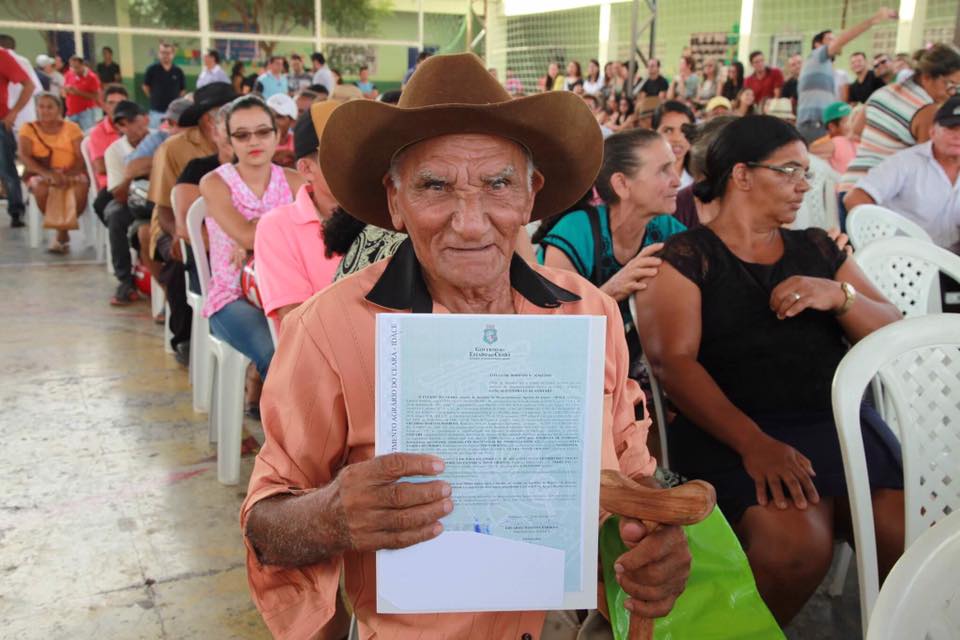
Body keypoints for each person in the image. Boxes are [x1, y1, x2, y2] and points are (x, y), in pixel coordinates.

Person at [241, 52, 690, 639]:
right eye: (435, 186)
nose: (472, 222)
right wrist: (330, 518)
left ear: (531, 196)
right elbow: (265, 524)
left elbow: (633, 482)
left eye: (498, 184)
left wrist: (655, 541)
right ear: (396, 201)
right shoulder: (329, 330)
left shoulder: (590, 313)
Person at [634, 114, 903, 626]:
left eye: (808, 174)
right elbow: (675, 363)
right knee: (796, 548)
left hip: (836, 426)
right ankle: (740, 633)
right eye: (790, 171)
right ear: (741, 175)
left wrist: (839, 296)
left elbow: (892, 328)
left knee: (905, 536)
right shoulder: (688, 256)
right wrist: (753, 444)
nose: (804, 186)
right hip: (733, 428)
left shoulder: (818, 249)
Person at [198, 95, 302, 398]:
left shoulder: (294, 181)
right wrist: (276, 228)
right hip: (232, 297)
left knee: (326, 345)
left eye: (262, 132)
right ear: (229, 142)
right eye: (242, 135)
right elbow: (244, 236)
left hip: (286, 292)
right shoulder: (215, 183)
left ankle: (311, 434)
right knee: (277, 353)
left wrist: (257, 233)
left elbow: (314, 233)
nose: (253, 141)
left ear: (277, 134)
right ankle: (286, 440)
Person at [147, 82, 237, 359]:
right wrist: (178, 233)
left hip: (229, 233)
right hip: (171, 223)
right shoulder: (174, 148)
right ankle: (183, 336)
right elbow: (162, 205)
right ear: (207, 119)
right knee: (182, 258)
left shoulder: (250, 149)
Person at [255, 102, 341, 330]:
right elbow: (296, 320)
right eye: (339, 153)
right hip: (319, 358)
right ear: (306, 169)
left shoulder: (385, 216)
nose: (353, 163)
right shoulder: (278, 227)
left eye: (360, 150)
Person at [840, 43, 960, 194]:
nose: (951, 92)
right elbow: (930, 167)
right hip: (877, 195)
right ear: (927, 77)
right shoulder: (926, 111)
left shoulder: (883, 91)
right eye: (949, 84)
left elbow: (856, 130)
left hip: (850, 185)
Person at [844, 96, 960, 249]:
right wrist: (884, 242)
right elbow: (855, 198)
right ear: (932, 131)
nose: (957, 136)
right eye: (950, 129)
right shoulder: (906, 162)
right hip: (905, 259)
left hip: (951, 261)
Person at [796, 8, 898, 143]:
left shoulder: (824, 68)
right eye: (830, 39)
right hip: (814, 125)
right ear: (818, 45)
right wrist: (873, 20)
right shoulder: (817, 56)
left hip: (817, 125)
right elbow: (845, 38)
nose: (836, 41)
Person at [18, 92, 88, 253]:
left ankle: (61, 232)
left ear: (59, 109)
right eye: (41, 107)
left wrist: (67, 175)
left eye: (50, 107)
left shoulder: (72, 128)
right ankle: (62, 233)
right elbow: (25, 157)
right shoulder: (28, 128)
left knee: (80, 187)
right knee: (41, 189)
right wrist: (48, 174)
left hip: (71, 170)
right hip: (40, 172)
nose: (45, 111)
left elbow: (80, 157)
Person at [102, 100, 155, 305]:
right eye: (122, 124)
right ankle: (125, 280)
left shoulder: (160, 139)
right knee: (115, 215)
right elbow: (119, 195)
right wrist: (133, 172)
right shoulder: (114, 151)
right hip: (132, 200)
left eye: (133, 120)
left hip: (161, 199)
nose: (130, 128)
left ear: (145, 118)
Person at [0, 44, 35, 227]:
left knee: (6, 169)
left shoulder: (2, 56)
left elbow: (29, 85)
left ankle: (16, 211)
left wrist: (13, 113)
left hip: (0, 121)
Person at [87, 84, 128, 192]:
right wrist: (135, 170)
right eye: (111, 103)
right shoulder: (98, 132)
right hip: (111, 186)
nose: (116, 107)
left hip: (135, 182)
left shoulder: (135, 126)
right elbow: (101, 167)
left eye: (121, 103)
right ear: (104, 106)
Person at [143, 42, 186, 129]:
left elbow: (182, 90)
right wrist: (153, 97)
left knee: (172, 138)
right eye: (162, 52)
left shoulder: (178, 71)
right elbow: (145, 87)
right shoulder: (152, 69)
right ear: (159, 54)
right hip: (156, 111)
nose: (165, 55)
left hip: (174, 113)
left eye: (168, 53)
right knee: (154, 136)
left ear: (173, 55)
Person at [653, 100, 695, 188]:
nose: (677, 138)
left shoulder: (700, 181)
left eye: (684, 131)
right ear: (653, 134)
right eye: (668, 130)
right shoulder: (640, 180)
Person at [62, 56, 100, 132]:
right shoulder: (69, 74)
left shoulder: (92, 77)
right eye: (72, 67)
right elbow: (63, 93)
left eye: (77, 67)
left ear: (83, 65)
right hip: (71, 112)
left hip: (86, 112)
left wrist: (78, 92)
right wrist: (66, 91)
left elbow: (96, 96)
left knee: (87, 134)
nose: (74, 70)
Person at [818, 101, 857, 174]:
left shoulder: (856, 140)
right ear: (832, 127)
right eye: (847, 121)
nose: (852, 125)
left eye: (853, 120)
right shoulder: (837, 141)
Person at [265, 93, 296, 167]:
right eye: (269, 116)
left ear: (292, 122)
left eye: (279, 117)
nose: (273, 121)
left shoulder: (299, 143)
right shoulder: (257, 143)